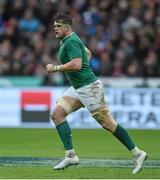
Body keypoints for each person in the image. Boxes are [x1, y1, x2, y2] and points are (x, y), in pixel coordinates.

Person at [46, 13, 147, 174]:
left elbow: (77, 65)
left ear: (67, 27)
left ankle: (138, 153)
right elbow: (87, 53)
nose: (55, 29)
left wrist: (56, 68)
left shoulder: (71, 41)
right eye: (54, 26)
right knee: (57, 114)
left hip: (89, 88)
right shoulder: (71, 39)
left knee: (108, 123)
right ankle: (70, 155)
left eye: (58, 26)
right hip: (79, 87)